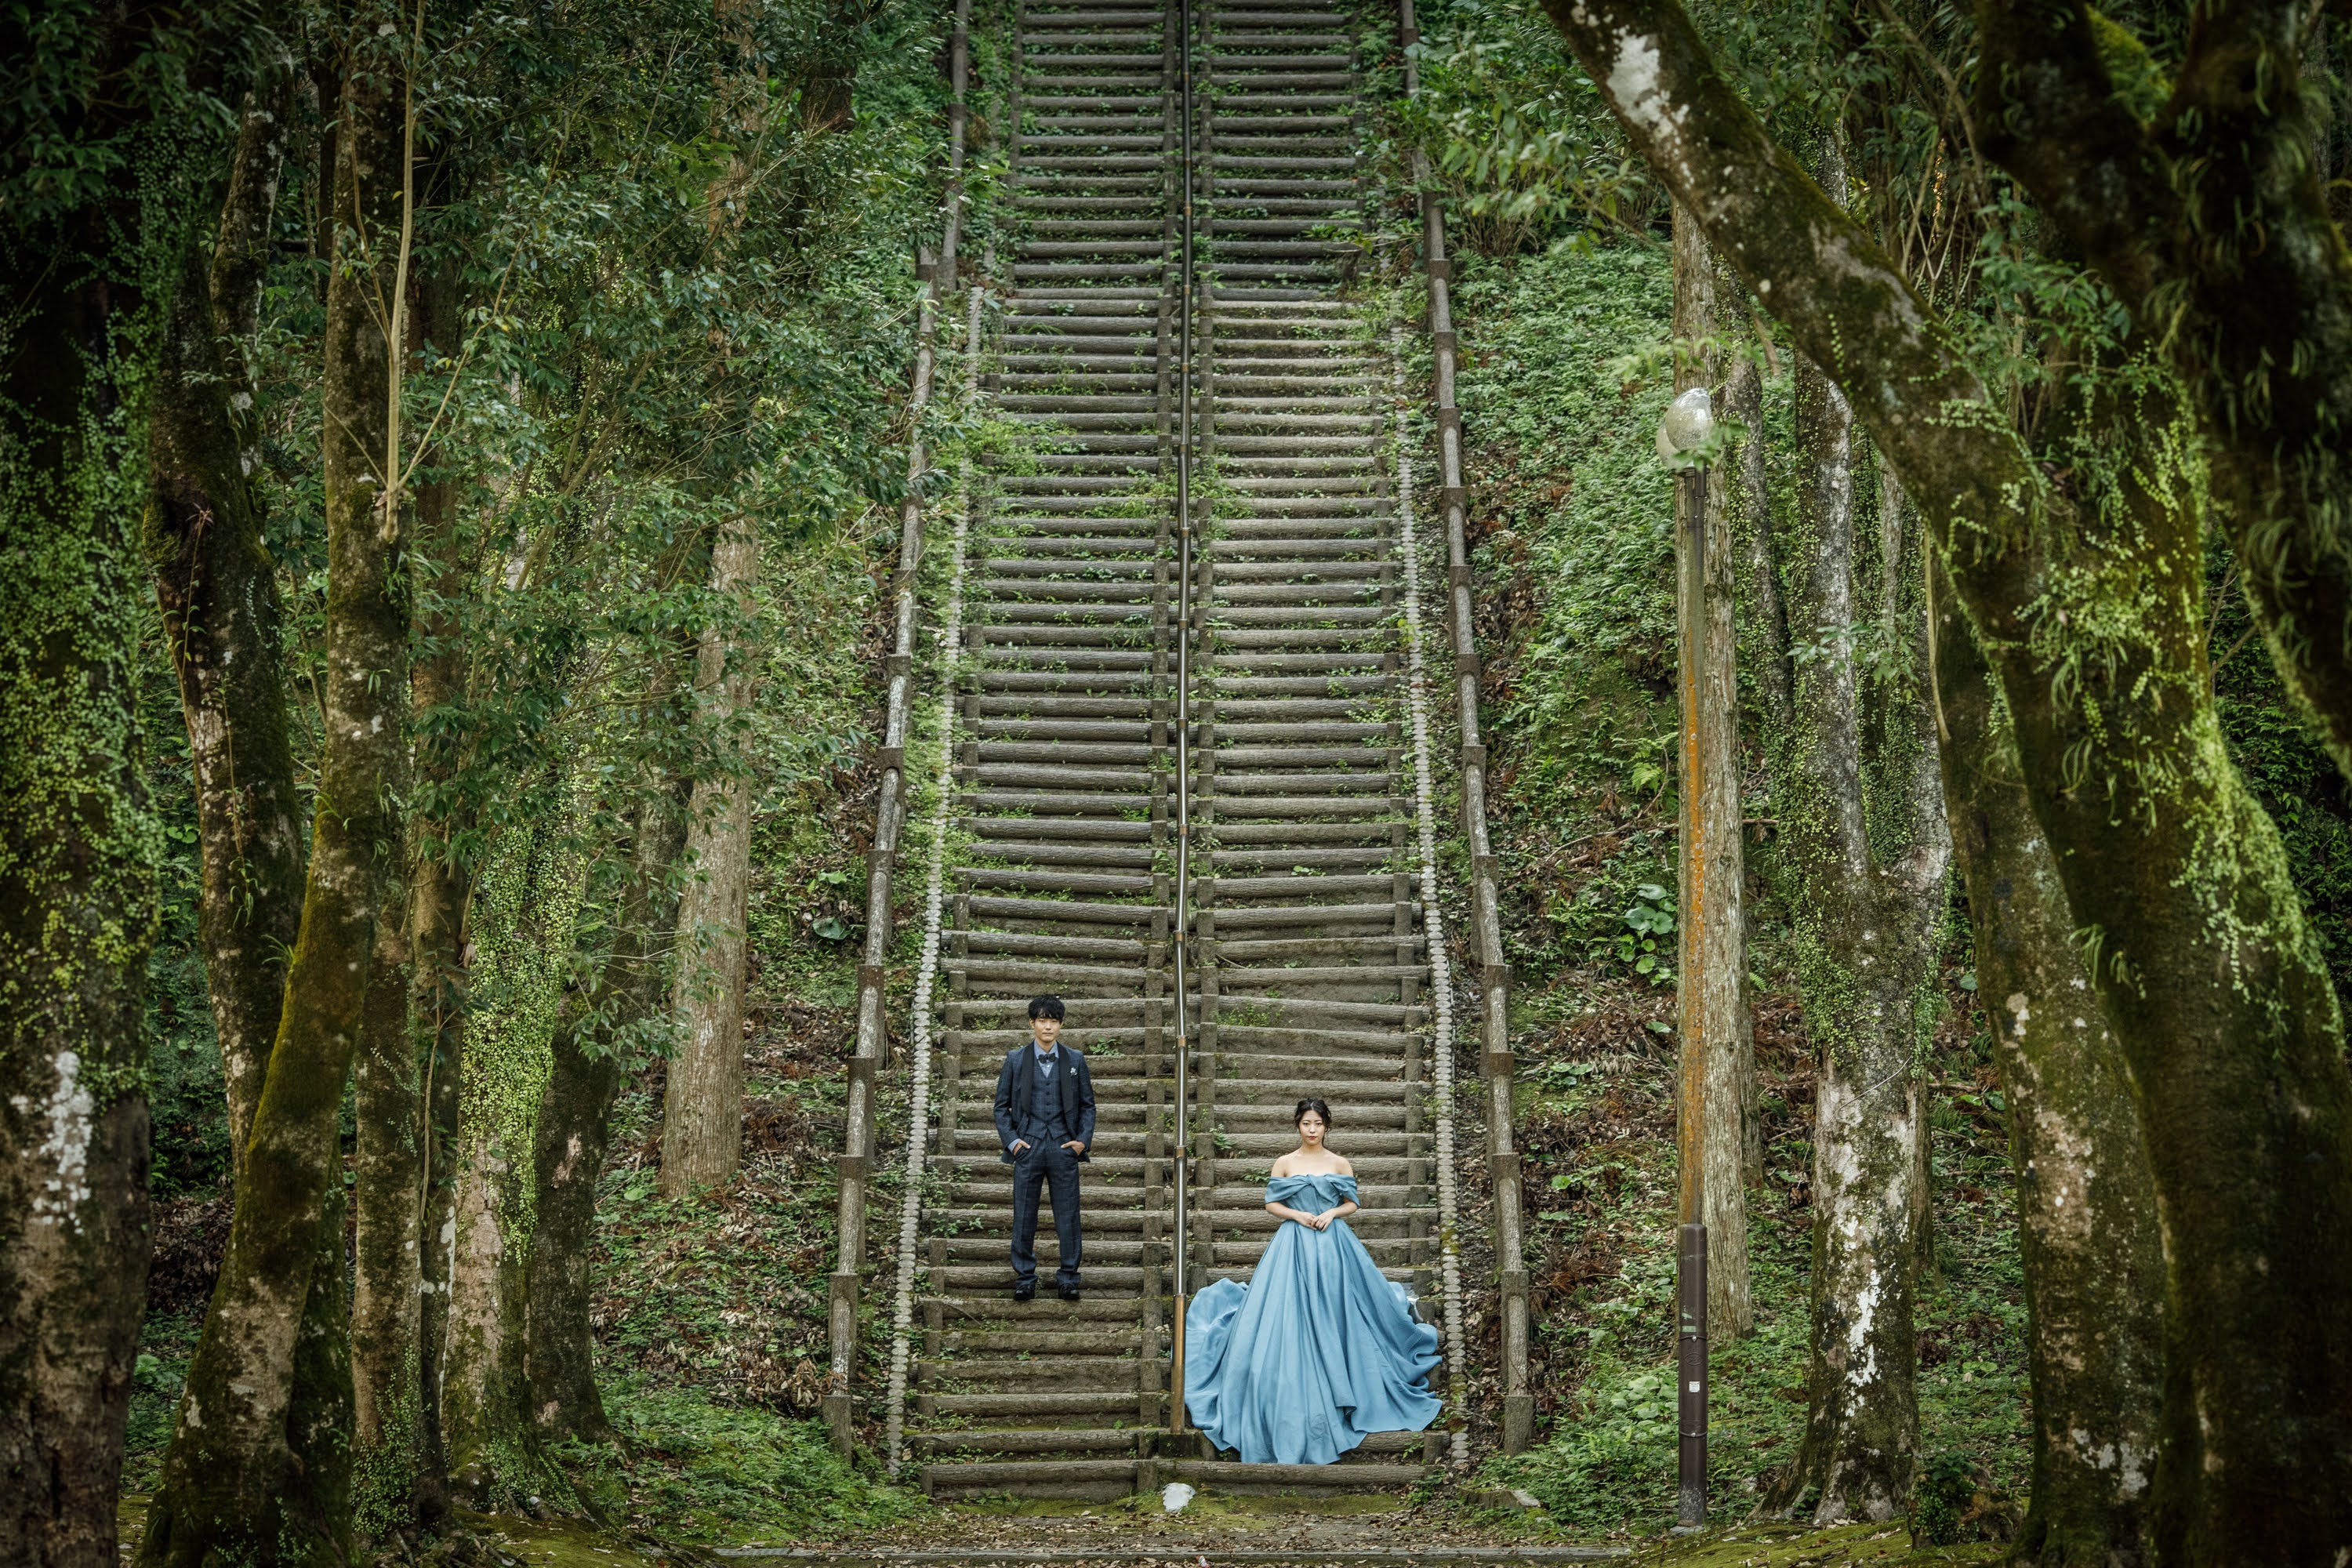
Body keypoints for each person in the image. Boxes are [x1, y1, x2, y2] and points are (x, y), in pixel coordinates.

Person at [1181, 1098, 1442, 1464]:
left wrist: (1333, 1213)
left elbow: (1353, 1202)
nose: (1312, 1129)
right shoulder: (1285, 1163)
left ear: (1327, 1125)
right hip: (1293, 1244)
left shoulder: (1339, 1163)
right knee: (1287, 1311)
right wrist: (1298, 1215)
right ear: (1298, 1126)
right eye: (1306, 1123)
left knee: (1340, 1307)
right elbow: (1271, 1204)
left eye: (1318, 1123)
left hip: (1334, 1245)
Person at [993, 994, 1094, 1301]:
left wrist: (1081, 1142)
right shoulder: (1015, 1059)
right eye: (1042, 1020)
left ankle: (1068, 1277)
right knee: (1024, 1213)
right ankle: (1025, 1276)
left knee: (1069, 1214)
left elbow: (1088, 1105)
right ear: (1032, 1024)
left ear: (1061, 1025)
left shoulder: (1075, 1059)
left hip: (1064, 1147)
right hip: (1028, 1146)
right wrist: (1013, 1142)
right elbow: (1001, 1107)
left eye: (1053, 1021)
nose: (1047, 1026)